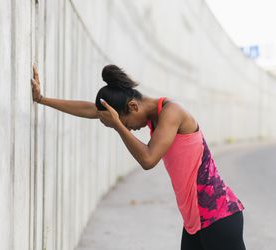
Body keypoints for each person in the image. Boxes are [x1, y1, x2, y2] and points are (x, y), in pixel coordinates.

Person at [31, 64, 246, 250]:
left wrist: (117, 126)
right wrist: (42, 99)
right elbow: (91, 110)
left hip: (218, 216)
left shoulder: (172, 113)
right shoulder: (155, 116)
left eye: (127, 123)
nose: (130, 129)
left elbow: (148, 159)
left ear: (133, 106)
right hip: (195, 221)